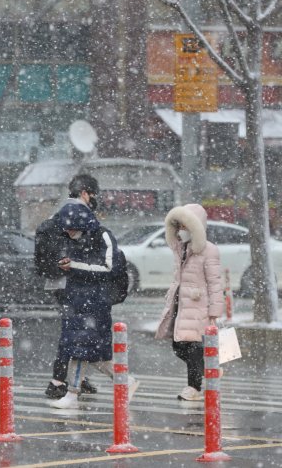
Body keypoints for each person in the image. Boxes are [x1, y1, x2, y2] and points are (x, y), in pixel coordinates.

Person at [50, 202, 138, 410]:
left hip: (95, 304)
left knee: (80, 350)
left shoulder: (103, 236)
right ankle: (126, 381)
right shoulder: (72, 239)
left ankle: (72, 394)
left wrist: (74, 266)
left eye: (70, 227)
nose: (67, 231)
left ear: (81, 225)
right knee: (91, 354)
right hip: (76, 302)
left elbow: (108, 268)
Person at [36, 173, 100, 399]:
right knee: (74, 332)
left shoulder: (59, 213)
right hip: (73, 281)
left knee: (78, 330)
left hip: (57, 282)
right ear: (85, 193)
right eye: (93, 194)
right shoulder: (79, 214)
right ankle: (58, 380)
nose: (94, 198)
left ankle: (76, 378)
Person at [156, 203, 225, 401]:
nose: (181, 231)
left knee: (193, 347)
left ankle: (193, 388)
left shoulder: (209, 250)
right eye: (179, 227)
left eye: (185, 227)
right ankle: (208, 368)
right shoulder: (180, 248)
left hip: (198, 307)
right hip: (180, 305)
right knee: (178, 346)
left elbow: (214, 282)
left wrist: (214, 311)